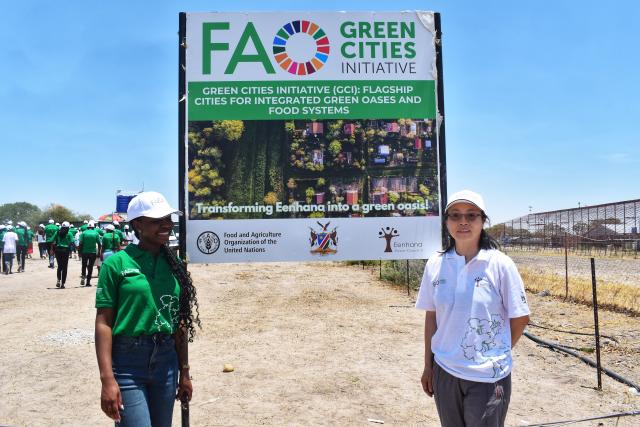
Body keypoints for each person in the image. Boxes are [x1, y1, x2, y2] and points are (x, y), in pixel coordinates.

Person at [416, 190, 530, 427]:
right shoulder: (436, 264)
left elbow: (520, 317)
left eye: (471, 215)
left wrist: (494, 352)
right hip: (445, 371)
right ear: (446, 221)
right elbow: (432, 318)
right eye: (455, 215)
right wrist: (429, 366)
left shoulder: (500, 264)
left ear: (483, 221)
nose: (463, 222)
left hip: (487, 377)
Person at [95, 191, 200, 426]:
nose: (166, 225)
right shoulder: (116, 264)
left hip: (166, 361)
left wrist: (184, 371)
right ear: (137, 224)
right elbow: (103, 323)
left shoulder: (176, 265)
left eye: (168, 219)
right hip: (127, 364)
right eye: (157, 220)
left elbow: (180, 320)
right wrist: (107, 379)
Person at [51, 221, 74, 288]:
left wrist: (52, 250)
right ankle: (63, 283)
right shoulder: (69, 233)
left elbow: (52, 241)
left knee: (59, 266)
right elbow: (72, 242)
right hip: (65, 250)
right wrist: (71, 250)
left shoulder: (57, 232)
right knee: (65, 267)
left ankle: (58, 280)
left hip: (58, 250)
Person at [79, 220, 101, 287]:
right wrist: (99, 252)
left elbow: (80, 243)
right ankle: (88, 282)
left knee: (84, 265)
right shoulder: (96, 233)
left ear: (87, 227)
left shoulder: (83, 233)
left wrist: (79, 252)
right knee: (90, 267)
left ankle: (83, 276)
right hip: (93, 252)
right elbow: (99, 244)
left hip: (84, 252)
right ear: (93, 227)